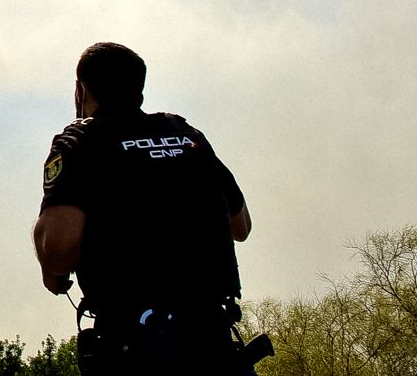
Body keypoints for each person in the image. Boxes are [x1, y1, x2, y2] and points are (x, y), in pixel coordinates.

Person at [32, 42, 254, 373]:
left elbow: (60, 248)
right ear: (139, 88)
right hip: (211, 339)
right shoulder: (186, 134)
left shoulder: (79, 143)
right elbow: (241, 226)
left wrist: (51, 270)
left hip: (135, 345)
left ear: (81, 90)